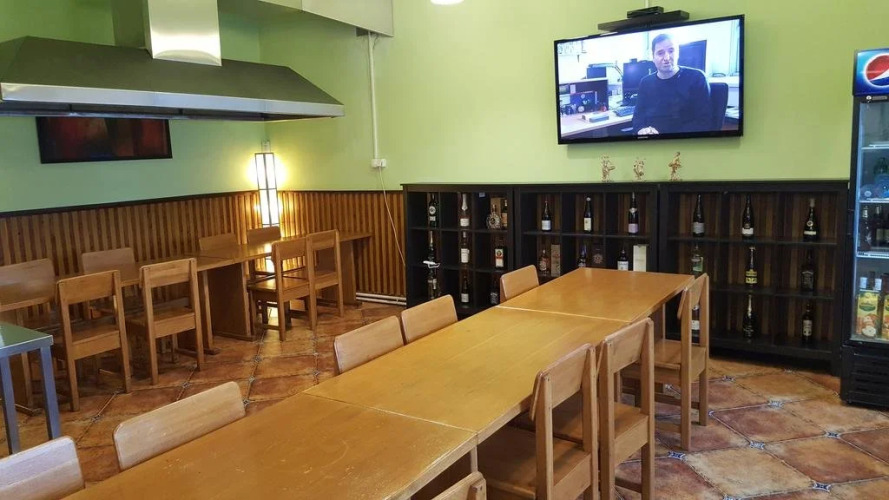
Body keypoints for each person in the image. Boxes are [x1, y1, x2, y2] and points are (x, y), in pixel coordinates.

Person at [632, 33, 712, 135]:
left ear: (678, 53)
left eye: (671, 51)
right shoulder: (645, 83)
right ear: (653, 57)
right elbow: (638, 117)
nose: (666, 57)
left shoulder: (697, 78)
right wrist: (642, 130)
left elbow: (703, 122)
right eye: (660, 53)